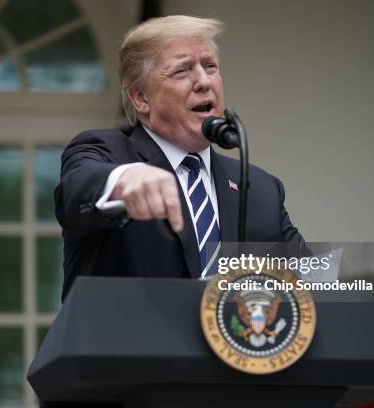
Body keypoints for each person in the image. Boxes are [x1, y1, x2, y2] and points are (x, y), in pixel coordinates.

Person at [55, 15, 303, 299]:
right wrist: (123, 180)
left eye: (210, 66)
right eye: (182, 71)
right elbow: (76, 190)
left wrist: (355, 283)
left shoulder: (260, 188)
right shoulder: (107, 151)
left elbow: (310, 281)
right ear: (140, 98)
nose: (203, 81)